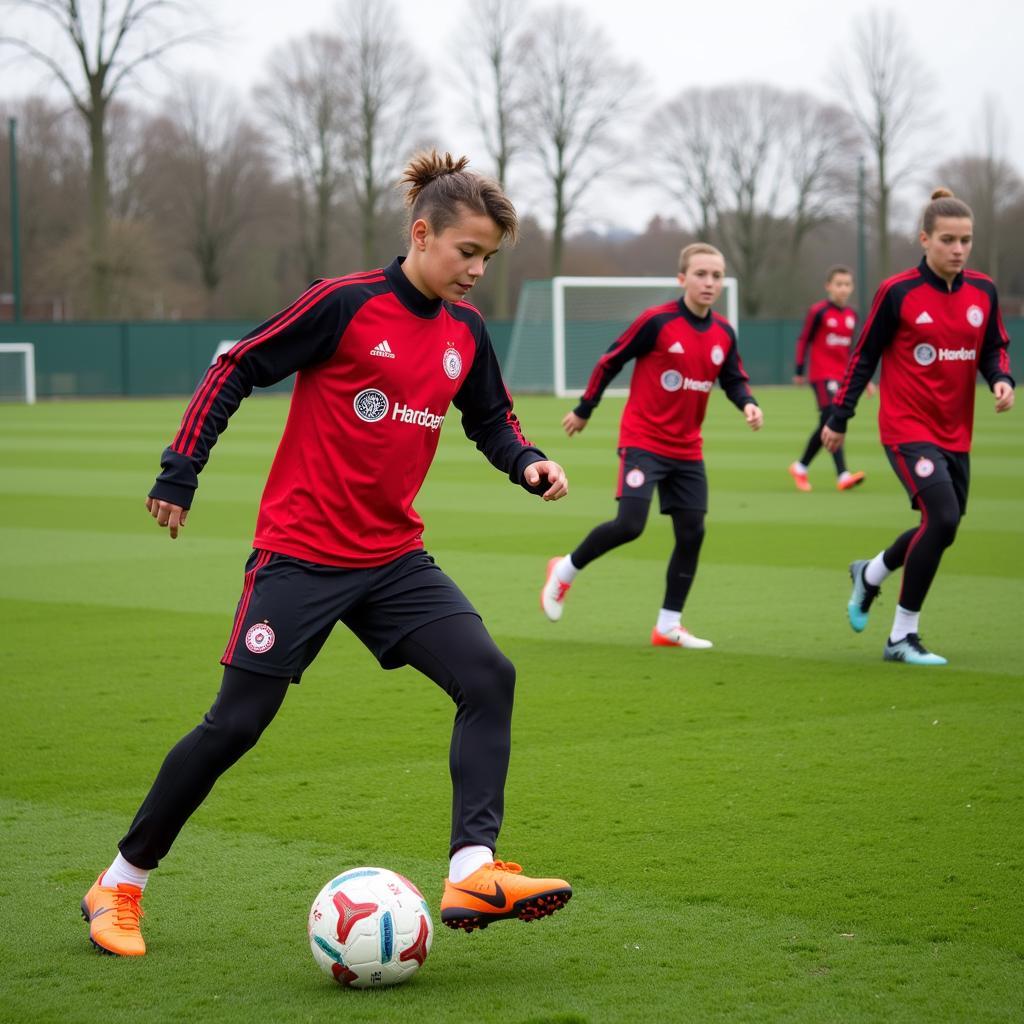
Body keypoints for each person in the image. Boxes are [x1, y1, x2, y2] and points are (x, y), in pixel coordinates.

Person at [81, 151, 573, 957]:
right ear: (422, 234)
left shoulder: (466, 334)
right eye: (467, 252)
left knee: (488, 675)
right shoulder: (345, 304)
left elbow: (491, 421)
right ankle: (120, 884)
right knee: (235, 725)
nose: (478, 270)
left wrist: (528, 462)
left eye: (487, 257)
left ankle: (473, 870)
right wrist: (182, 468)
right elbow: (236, 364)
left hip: (393, 560)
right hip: (301, 557)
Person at [823, 188, 1014, 665]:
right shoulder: (898, 291)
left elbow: (994, 347)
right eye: (948, 239)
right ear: (924, 239)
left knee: (941, 527)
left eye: (966, 240)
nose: (958, 249)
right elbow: (864, 354)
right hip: (907, 426)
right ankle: (901, 637)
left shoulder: (983, 291)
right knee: (943, 517)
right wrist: (840, 415)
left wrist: (1002, 379)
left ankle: (870, 574)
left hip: (956, 429)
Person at [540, 242, 763, 649]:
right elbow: (611, 359)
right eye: (700, 274)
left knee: (692, 533)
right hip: (644, 440)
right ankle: (564, 571)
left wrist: (747, 403)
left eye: (716, 275)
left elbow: (733, 378)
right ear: (682, 279)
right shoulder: (656, 322)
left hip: (687, 449)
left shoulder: (723, 333)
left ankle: (667, 626)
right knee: (630, 524)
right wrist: (585, 408)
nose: (709, 282)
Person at [788, 266, 867, 492]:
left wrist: (864, 378)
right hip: (821, 374)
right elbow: (804, 339)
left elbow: (853, 350)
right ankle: (843, 474)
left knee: (828, 422)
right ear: (828, 286)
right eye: (838, 284)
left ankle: (801, 466)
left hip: (842, 376)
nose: (843, 289)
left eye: (847, 284)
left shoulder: (852, 315)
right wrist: (799, 369)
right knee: (833, 417)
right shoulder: (819, 311)